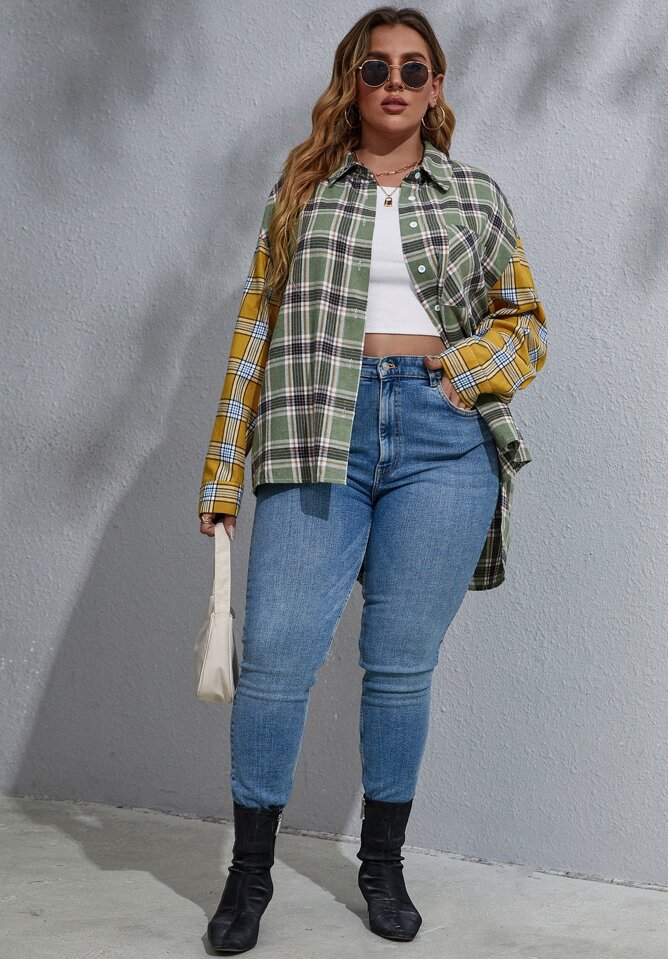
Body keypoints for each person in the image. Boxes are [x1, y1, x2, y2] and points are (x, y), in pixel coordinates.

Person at [197, 5, 548, 952]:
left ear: (436, 87)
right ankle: (249, 874)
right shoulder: (303, 190)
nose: (395, 82)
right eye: (377, 67)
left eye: (413, 69)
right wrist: (222, 467)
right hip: (318, 428)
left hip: (442, 442)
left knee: (399, 667)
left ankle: (382, 867)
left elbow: (525, 321)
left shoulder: (476, 197)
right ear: (352, 82)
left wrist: (461, 371)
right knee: (277, 658)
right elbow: (255, 324)